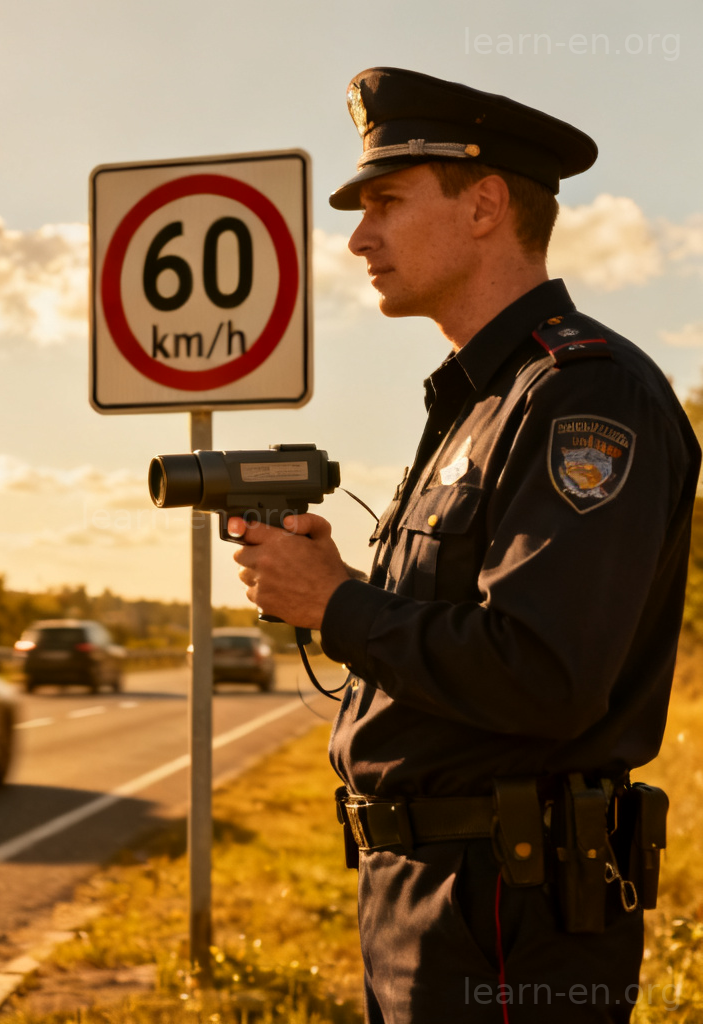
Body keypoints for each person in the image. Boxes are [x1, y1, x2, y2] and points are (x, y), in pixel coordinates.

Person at [228, 67, 700, 1023]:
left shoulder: (582, 395)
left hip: (506, 906)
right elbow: (462, 631)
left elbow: (542, 671)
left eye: (388, 202)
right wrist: (339, 588)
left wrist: (335, 604)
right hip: (426, 890)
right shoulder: (480, 401)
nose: (359, 235)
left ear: (485, 204)